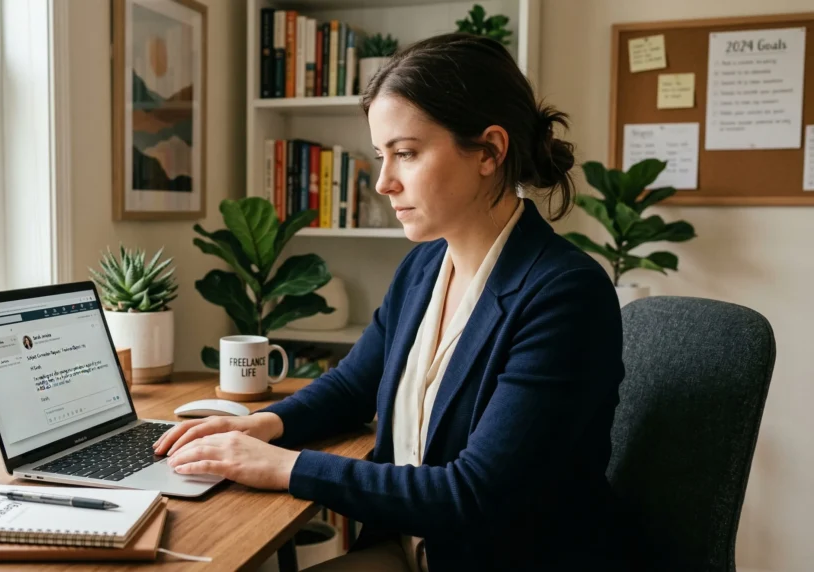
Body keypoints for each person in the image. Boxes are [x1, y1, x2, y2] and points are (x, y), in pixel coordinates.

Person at [154, 33, 626, 571]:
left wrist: (284, 467)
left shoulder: (565, 294)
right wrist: (263, 425)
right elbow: (354, 385)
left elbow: (475, 493)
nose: (382, 182)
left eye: (406, 153)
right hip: (412, 550)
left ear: (490, 151)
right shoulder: (425, 267)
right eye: (381, 156)